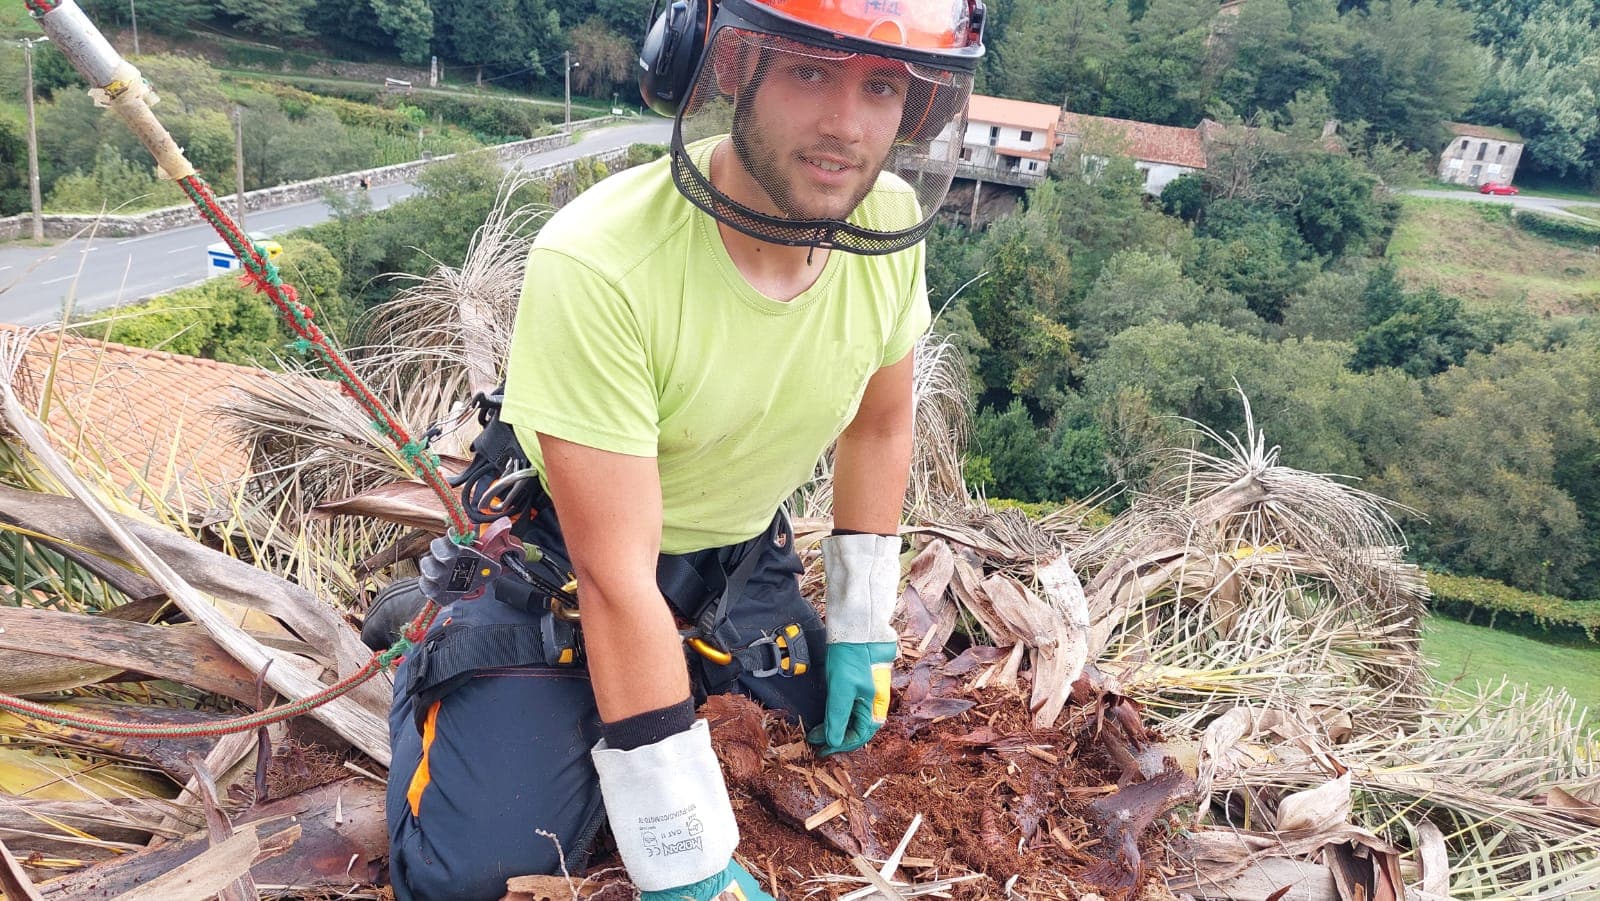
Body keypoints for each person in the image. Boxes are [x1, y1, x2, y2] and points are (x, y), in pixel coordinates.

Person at [378, 0, 984, 897]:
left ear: (919, 107)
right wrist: (682, 855)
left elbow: (880, 422)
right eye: (809, 71)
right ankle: (432, 638)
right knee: (467, 876)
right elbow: (618, 578)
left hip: (736, 563)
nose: (844, 126)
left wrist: (861, 619)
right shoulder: (603, 264)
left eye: (882, 86)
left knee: (830, 729)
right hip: (573, 568)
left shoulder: (885, 226)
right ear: (728, 63)